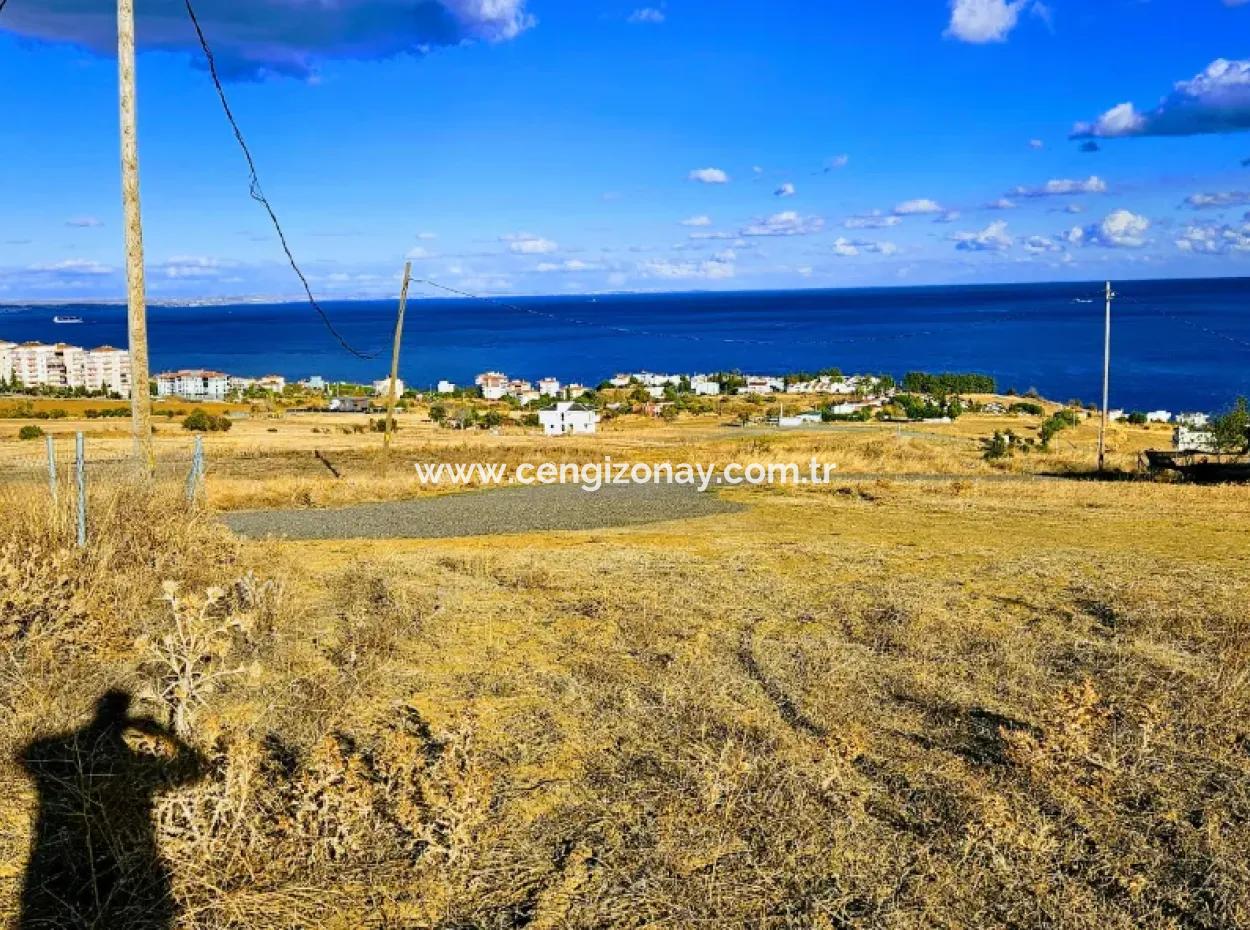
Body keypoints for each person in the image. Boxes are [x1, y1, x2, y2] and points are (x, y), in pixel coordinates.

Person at [18, 690, 204, 930]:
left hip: (77, 847)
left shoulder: (68, 746)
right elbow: (195, 771)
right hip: (122, 848)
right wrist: (161, 733)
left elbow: (28, 755)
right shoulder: (131, 762)